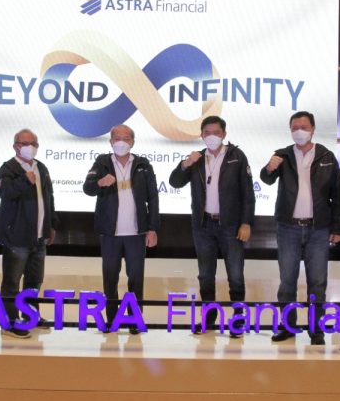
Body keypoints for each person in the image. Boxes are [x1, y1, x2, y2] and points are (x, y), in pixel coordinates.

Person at [260, 111, 340, 345]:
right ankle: (287, 326)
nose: (299, 131)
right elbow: (266, 179)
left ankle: (316, 330)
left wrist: (338, 227)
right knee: (287, 280)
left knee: (317, 282)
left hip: (318, 229)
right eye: (295, 127)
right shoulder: (283, 155)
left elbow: (337, 195)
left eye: (304, 127)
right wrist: (269, 168)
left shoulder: (327, 156)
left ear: (313, 129)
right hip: (288, 227)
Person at [168, 116, 255, 336]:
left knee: (235, 275)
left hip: (231, 226)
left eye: (216, 132)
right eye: (207, 132)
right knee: (206, 276)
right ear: (201, 135)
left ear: (224, 134)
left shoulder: (237, 156)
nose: (211, 136)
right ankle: (209, 318)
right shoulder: (197, 159)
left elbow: (248, 194)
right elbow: (175, 182)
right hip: (203, 225)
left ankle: (238, 319)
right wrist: (185, 164)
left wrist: (246, 222)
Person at [82, 125, 159, 334]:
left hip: (136, 232)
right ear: (110, 141)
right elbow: (87, 188)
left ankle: (135, 319)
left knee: (136, 278)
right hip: (110, 233)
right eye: (117, 138)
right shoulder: (102, 163)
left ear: (132, 141)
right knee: (110, 277)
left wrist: (152, 228)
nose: (121, 142)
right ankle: (111, 319)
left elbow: (153, 197)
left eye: (126, 138)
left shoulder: (143, 164)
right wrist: (100, 182)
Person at [0, 129, 59, 338]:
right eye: (24, 143)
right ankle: (9, 322)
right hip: (17, 236)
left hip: (39, 236)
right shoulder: (8, 168)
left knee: (34, 280)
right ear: (15, 146)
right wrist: (24, 181)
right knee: (12, 281)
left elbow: (49, 198)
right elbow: (4, 192)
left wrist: (51, 224)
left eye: (33, 143)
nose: (29, 147)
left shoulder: (42, 168)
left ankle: (30, 315)